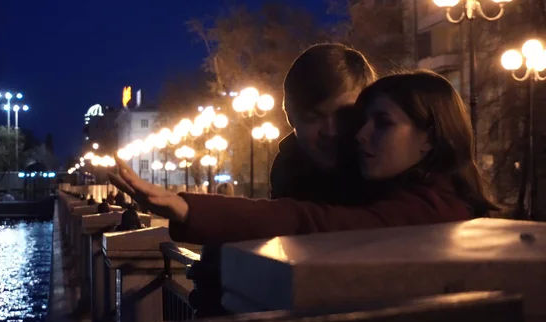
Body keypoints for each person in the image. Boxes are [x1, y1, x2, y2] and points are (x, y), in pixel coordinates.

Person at [109, 70, 499, 245]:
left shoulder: (428, 209)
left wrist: (187, 208)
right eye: (362, 121)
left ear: (430, 137)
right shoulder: (422, 195)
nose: (358, 135)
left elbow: (310, 220)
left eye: (381, 123)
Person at [271, 43, 377, 204]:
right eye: (314, 117)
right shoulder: (287, 169)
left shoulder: (389, 170)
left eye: (346, 115)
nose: (331, 131)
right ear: (291, 118)